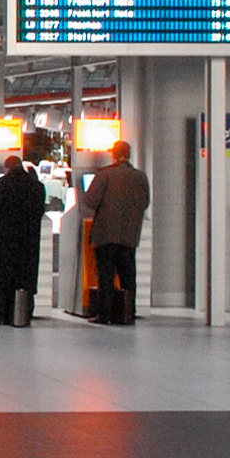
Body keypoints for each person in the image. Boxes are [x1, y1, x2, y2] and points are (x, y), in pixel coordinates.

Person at [79, 139, 150, 325]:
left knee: (106, 275)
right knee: (128, 275)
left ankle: (105, 314)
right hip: (129, 234)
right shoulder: (141, 177)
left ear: (113, 154)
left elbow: (91, 201)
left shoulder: (105, 175)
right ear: (129, 154)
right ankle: (128, 312)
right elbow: (145, 203)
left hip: (106, 233)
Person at [0, 154, 47, 326]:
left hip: (3, 238)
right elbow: (40, 211)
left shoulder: (1, 184)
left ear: (7, 168)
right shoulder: (37, 186)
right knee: (24, 278)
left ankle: (0, 315)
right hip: (28, 240)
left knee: (1, 276)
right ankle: (24, 314)